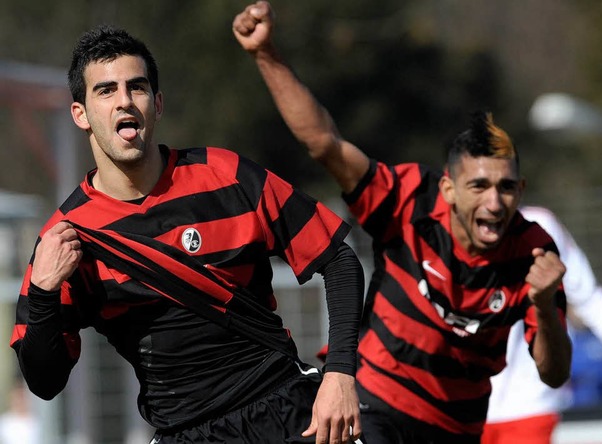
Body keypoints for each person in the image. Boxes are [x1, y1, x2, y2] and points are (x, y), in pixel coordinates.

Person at [9, 24, 367, 444]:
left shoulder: (227, 175)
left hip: (286, 408)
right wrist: (46, 291)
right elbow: (44, 381)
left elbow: (338, 258)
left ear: (157, 104)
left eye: (136, 87)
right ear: (80, 114)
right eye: (106, 91)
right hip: (186, 433)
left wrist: (340, 373)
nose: (125, 101)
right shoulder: (67, 236)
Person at [233, 2, 572, 443]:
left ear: (521, 191)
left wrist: (544, 306)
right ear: (449, 189)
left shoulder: (534, 253)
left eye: (506, 188)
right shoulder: (409, 198)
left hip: (456, 428)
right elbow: (324, 145)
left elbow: (554, 373)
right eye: (479, 187)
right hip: (374, 401)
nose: (494, 202)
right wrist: (266, 53)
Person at [483, 205, 602, 444]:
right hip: (454, 406)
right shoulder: (434, 232)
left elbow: (589, 298)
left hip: (528, 408)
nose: (493, 198)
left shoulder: (538, 227)